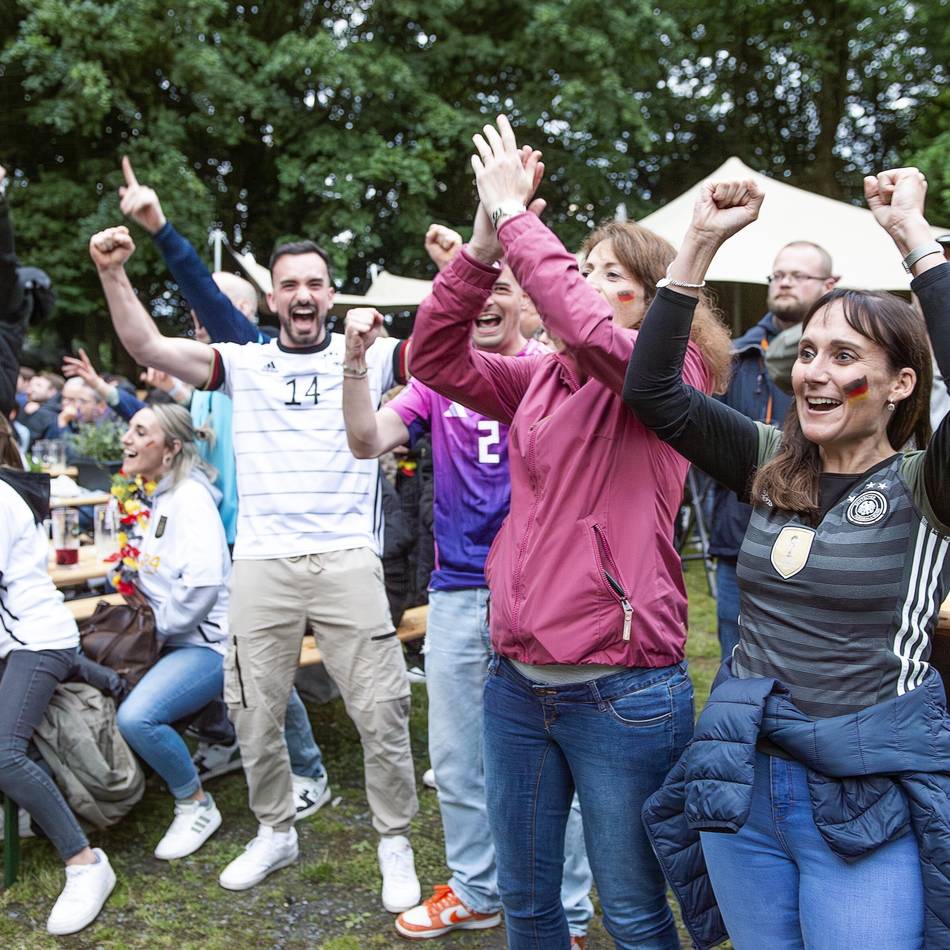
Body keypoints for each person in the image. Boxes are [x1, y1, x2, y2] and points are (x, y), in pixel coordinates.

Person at [408, 116, 732, 949]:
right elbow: (434, 361)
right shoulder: (541, 381)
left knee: (629, 911)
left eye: (607, 276)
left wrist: (520, 221)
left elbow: (590, 329)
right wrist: (483, 247)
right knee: (527, 903)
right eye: (579, 271)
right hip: (516, 682)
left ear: (659, 299)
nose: (582, 288)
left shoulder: (671, 374)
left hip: (621, 688)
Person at [626, 169, 949, 949]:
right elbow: (653, 391)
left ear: (900, 383)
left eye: (846, 356)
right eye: (808, 353)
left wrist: (914, 237)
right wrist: (698, 241)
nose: (817, 373)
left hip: (864, 796)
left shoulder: (925, 483)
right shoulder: (771, 460)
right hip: (747, 786)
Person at [88, 220, 419, 911]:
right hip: (262, 562)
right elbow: (146, 346)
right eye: (289, 285)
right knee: (251, 710)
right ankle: (276, 830)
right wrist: (114, 271)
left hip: (347, 556)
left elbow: (445, 351)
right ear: (272, 300)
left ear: (331, 295)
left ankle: (395, 840)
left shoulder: (375, 353)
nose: (303, 295)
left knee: (381, 710)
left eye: (314, 284)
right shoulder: (244, 360)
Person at [342, 236, 593, 943]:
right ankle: (479, 891)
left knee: (559, 756)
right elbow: (366, 440)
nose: (487, 300)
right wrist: (355, 363)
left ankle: (571, 910)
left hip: (546, 591)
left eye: (503, 288)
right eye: (473, 290)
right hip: (456, 591)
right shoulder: (434, 379)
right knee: (455, 758)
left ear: (527, 302)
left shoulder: (555, 371)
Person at [117, 157, 331, 817]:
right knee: (244, 662)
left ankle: (310, 770)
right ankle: (231, 741)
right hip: (228, 542)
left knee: (264, 665)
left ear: (243, 312)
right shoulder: (211, 379)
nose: (195, 316)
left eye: (205, 308)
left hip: (270, 545)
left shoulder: (261, 360)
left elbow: (211, 310)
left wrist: (160, 229)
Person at [0, 184, 115, 932]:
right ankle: (101, 673)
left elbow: (8, 296)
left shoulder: (3, 496)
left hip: (35, 637)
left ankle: (84, 864)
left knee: (3, 753)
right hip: (22, 639)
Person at [707, 242, 837, 659]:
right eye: (778, 274)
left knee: (811, 663)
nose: (784, 281)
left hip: (822, 539)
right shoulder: (737, 356)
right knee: (736, 660)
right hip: (740, 537)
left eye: (798, 275)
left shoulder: (848, 366)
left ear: (829, 285)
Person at [113, 404, 230, 860]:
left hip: (207, 644)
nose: (127, 439)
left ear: (171, 449)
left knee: (136, 717)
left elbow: (202, 585)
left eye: (140, 432)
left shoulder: (190, 501)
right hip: (174, 638)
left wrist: (157, 631)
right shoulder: (163, 495)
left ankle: (195, 803)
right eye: (130, 429)